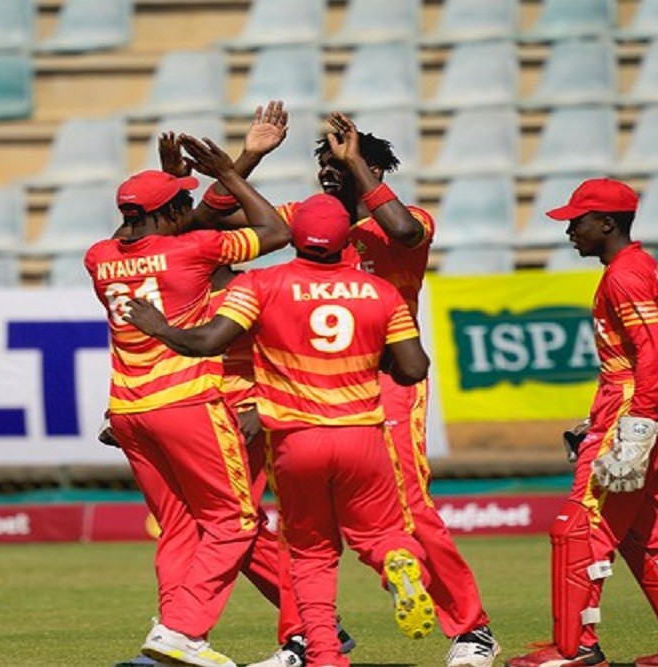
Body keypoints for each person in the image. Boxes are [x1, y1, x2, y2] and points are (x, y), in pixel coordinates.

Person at [205, 111, 498, 667]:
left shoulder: (407, 219)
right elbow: (212, 219)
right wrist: (250, 156)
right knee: (298, 521)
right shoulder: (308, 218)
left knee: (410, 508)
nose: (328, 172)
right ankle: (301, 639)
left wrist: (355, 162)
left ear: (373, 168)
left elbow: (404, 234)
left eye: (338, 163)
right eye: (323, 163)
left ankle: (471, 630)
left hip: (386, 379)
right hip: (307, 383)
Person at [124, 193, 436, 667]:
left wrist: (160, 328)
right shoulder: (379, 291)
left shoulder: (262, 284)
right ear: (345, 241)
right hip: (362, 434)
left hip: (294, 436)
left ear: (294, 238)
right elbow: (413, 369)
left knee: (309, 554)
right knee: (381, 532)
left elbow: (208, 341)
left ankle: (322, 653)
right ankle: (396, 561)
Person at [86, 134, 290, 667]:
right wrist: (231, 173)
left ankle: (168, 638)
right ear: (175, 213)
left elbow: (136, 232)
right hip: (187, 404)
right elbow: (276, 231)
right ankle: (183, 631)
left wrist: (167, 185)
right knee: (236, 521)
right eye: (183, 202)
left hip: (128, 411)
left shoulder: (98, 257)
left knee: (178, 528)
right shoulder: (193, 251)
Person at [508, 178, 658, 667]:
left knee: (578, 525)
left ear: (606, 224)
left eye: (577, 222)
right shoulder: (642, 267)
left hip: (636, 402)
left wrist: (636, 427)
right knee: (649, 529)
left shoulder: (625, 275)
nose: (570, 231)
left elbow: (650, 356)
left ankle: (575, 648)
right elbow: (646, 356)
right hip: (657, 401)